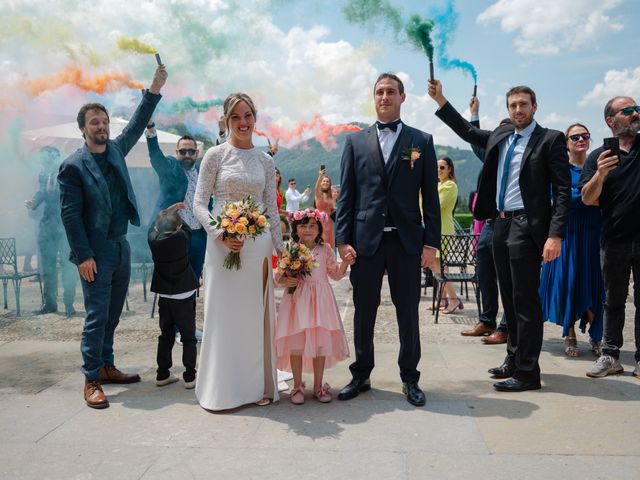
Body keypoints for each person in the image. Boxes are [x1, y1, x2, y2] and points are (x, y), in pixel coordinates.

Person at [429, 80, 570, 392]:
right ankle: (513, 360)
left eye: (523, 104)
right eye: (513, 105)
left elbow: (561, 191)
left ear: (534, 107)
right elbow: (466, 131)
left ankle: (528, 373)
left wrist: (555, 234)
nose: (518, 110)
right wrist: (441, 100)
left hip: (526, 225)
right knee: (509, 297)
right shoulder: (501, 135)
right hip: (499, 224)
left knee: (525, 301)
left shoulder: (550, 139)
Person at [58, 65, 167, 409]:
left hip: (121, 245)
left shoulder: (117, 149)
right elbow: (70, 215)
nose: (101, 127)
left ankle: (105, 365)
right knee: (96, 316)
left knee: (113, 312)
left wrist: (154, 87)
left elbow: (137, 122)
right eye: (94, 122)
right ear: (83, 129)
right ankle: (91, 379)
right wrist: (84, 255)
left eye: (104, 122)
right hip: (95, 252)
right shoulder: (72, 166)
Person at [336, 72, 440, 407]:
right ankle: (361, 373)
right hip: (365, 242)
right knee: (363, 311)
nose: (384, 97)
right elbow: (347, 197)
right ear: (374, 97)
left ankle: (410, 378)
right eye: (379, 92)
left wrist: (431, 243)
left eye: (391, 92)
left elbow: (431, 197)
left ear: (402, 97)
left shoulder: (421, 141)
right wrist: (342, 240)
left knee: (407, 312)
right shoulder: (354, 142)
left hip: (407, 242)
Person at [193, 92, 284, 410]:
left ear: (255, 119)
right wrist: (220, 233)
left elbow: (272, 210)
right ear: (227, 120)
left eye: (248, 116)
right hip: (221, 248)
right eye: (236, 117)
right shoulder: (214, 156)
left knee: (254, 318)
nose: (243, 122)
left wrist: (282, 252)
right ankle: (223, 388)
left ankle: (256, 386)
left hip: (257, 249)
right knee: (223, 317)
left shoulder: (265, 160)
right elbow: (200, 204)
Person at [580, 96, 640, 379]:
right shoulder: (598, 158)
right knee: (613, 301)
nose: (635, 113)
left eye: (637, 109)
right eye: (628, 111)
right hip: (613, 239)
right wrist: (601, 174)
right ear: (610, 120)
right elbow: (588, 198)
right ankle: (610, 356)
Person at [539, 124, 604, 357]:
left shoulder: (598, 167)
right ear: (566, 142)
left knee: (593, 284)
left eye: (585, 135)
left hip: (593, 233)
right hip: (567, 233)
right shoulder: (559, 170)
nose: (580, 139)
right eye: (574, 137)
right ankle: (570, 333)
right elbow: (559, 202)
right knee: (569, 282)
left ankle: (597, 336)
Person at [275, 209, 350, 404]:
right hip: (297, 302)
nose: (307, 230)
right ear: (295, 229)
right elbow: (278, 277)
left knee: (319, 344)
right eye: (303, 226)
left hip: (320, 303)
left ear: (319, 229)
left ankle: (318, 385)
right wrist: (286, 280)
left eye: (312, 226)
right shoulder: (290, 248)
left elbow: (334, 274)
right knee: (297, 345)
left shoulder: (325, 250)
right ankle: (297, 385)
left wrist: (345, 264)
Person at [460, 97, 509, 343]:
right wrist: (474, 113)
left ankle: (506, 327)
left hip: (510, 223)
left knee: (507, 277)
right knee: (484, 271)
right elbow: (472, 138)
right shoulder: (490, 156)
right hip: (489, 224)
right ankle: (487, 320)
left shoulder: (520, 160)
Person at [145, 125, 206, 282]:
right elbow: (156, 157)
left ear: (197, 153)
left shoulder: (203, 173)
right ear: (176, 152)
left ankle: (190, 307)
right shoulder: (170, 168)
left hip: (199, 236)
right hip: (175, 236)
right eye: (183, 151)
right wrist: (151, 129)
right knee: (174, 282)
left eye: (191, 152)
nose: (187, 155)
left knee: (194, 280)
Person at [148, 203, 199, 389]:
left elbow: (153, 226)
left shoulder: (153, 239)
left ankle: (162, 374)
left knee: (166, 334)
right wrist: (176, 213)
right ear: (177, 227)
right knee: (188, 337)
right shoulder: (182, 237)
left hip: (165, 295)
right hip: (184, 293)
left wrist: (168, 211)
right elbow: (186, 226)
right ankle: (190, 377)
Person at [25, 146, 78, 316]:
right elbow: (42, 192)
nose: (41, 161)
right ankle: (49, 303)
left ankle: (69, 303)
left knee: (68, 264)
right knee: (47, 266)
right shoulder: (43, 174)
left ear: (52, 158)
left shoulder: (66, 172)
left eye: (44, 158)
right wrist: (33, 203)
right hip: (47, 223)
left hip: (64, 224)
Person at [428, 156, 462, 314]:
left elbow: (435, 205)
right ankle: (442, 300)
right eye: (437, 167)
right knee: (434, 264)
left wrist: (422, 194)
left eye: (442, 167)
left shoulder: (449, 185)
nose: (439, 170)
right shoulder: (438, 185)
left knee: (440, 265)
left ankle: (454, 299)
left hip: (443, 230)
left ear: (449, 169)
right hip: (435, 229)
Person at [314, 167, 336, 248]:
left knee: (330, 245)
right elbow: (317, 186)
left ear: (329, 184)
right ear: (321, 183)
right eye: (324, 181)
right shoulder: (318, 194)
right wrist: (320, 176)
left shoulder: (331, 195)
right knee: (321, 244)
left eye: (327, 181)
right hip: (320, 221)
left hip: (330, 222)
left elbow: (332, 208)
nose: (325, 182)